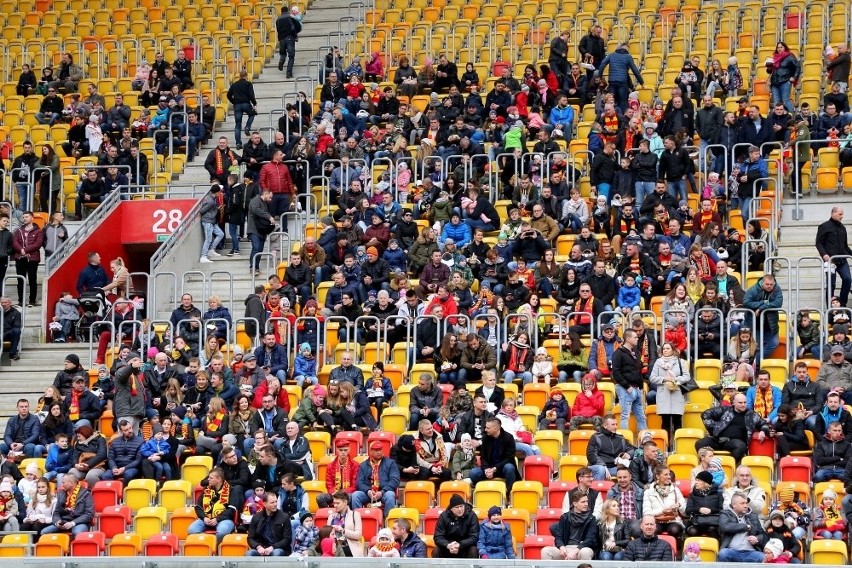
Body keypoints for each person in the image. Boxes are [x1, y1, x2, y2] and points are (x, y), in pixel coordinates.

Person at [696, 393, 770, 462]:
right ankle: (707, 465)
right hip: (718, 439)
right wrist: (713, 429)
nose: (743, 405)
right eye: (740, 403)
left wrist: (763, 431)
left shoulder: (751, 415)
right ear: (733, 403)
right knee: (700, 443)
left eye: (745, 402)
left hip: (734, 442)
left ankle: (729, 465)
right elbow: (705, 414)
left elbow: (764, 424)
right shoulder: (724, 410)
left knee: (741, 447)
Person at [189, 467, 239, 544]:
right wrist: (204, 517)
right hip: (206, 519)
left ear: (219, 479)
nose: (208, 479)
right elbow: (198, 507)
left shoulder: (232, 490)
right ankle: (205, 547)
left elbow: (231, 510)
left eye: (211, 478)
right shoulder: (206, 490)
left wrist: (217, 519)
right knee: (192, 530)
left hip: (224, 520)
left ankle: (214, 550)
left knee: (222, 532)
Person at [542, 492, 598, 560]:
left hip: (582, 548)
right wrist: (561, 547)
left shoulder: (591, 519)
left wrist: (575, 551)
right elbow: (559, 536)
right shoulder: (565, 517)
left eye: (587, 501)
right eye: (583, 502)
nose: (586, 504)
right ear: (575, 504)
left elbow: (590, 539)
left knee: (585, 552)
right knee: (545, 551)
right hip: (566, 548)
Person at [717, 491, 769, 563]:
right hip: (732, 551)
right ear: (734, 505)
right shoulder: (725, 514)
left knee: (763, 557)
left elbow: (763, 535)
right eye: (742, 503)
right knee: (723, 553)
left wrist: (757, 539)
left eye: (746, 503)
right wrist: (746, 527)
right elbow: (726, 527)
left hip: (751, 553)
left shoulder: (753, 516)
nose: (746, 505)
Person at [816, 207, 852, 306]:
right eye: (840, 214)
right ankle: (830, 309)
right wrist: (824, 254)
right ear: (833, 213)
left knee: (848, 279)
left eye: (842, 214)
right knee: (831, 284)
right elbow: (819, 243)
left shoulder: (842, 228)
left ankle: (842, 304)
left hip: (842, 260)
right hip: (830, 261)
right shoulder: (824, 226)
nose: (842, 216)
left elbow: (845, 246)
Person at [612, 329, 647, 430]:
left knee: (641, 417)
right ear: (628, 339)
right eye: (635, 337)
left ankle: (644, 440)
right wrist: (627, 386)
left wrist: (640, 387)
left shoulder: (636, 351)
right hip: (626, 388)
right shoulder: (618, 353)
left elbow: (638, 370)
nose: (637, 339)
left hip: (637, 388)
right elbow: (616, 372)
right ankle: (625, 440)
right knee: (625, 416)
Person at [469, 418, 517, 490]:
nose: (485, 430)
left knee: (509, 467)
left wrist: (494, 469)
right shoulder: (485, 437)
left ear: (496, 429)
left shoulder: (508, 438)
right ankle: (483, 490)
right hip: (489, 467)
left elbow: (509, 458)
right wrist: (486, 469)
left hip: (502, 468)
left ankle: (509, 493)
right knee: (473, 473)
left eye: (488, 428)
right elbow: (483, 457)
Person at [351, 441, 399, 511]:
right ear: (370, 451)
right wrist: (368, 491)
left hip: (384, 492)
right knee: (355, 495)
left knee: (390, 495)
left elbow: (395, 480)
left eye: (380, 450)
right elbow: (359, 482)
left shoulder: (391, 463)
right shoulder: (363, 465)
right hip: (368, 493)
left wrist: (382, 491)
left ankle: (387, 520)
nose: (379, 452)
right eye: (376, 450)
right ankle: (359, 519)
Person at [587, 414, 634, 480]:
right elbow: (591, 455)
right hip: (598, 466)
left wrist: (629, 454)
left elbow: (632, 449)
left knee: (633, 467)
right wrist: (603, 466)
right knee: (601, 470)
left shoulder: (620, 438)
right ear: (605, 426)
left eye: (616, 424)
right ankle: (598, 490)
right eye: (613, 424)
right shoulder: (596, 437)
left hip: (615, 467)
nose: (615, 427)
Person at [643, 466, 686, 536]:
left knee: (674, 530)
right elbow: (646, 513)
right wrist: (662, 511)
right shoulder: (648, 491)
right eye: (666, 474)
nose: (669, 477)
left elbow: (684, 512)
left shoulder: (675, 489)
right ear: (657, 476)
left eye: (669, 474)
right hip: (656, 521)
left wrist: (679, 505)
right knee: (654, 530)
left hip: (673, 520)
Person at [246, 491, 292, 557]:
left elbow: (287, 539)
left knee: (276, 553)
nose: (275, 504)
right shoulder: (256, 517)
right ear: (264, 504)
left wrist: (272, 547)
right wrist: (258, 547)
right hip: (261, 548)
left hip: (278, 548)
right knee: (249, 554)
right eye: (272, 502)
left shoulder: (284, 517)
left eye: (276, 501)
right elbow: (250, 538)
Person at [12, 211, 43, 308]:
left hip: (32, 258)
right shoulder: (18, 230)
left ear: (32, 218)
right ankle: (20, 301)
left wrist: (24, 250)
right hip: (20, 258)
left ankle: (32, 300)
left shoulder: (38, 231)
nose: (24, 218)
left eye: (26, 217)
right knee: (20, 280)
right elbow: (14, 242)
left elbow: (38, 244)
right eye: (23, 217)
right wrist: (21, 250)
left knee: (32, 279)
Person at [434, 494, 480, 558]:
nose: (460, 509)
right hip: (448, 547)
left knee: (473, 550)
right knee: (436, 550)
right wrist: (448, 545)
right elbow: (438, 537)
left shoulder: (471, 515)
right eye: (457, 507)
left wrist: (459, 545)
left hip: (465, 547)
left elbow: (474, 537)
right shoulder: (443, 516)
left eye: (461, 506)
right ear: (451, 509)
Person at [100, 419, 142, 485]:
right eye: (126, 430)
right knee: (105, 476)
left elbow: (138, 460)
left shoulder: (140, 441)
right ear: (121, 431)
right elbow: (110, 458)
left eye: (130, 428)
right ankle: (114, 493)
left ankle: (123, 493)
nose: (130, 431)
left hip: (131, 467)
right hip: (117, 467)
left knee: (128, 474)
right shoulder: (115, 442)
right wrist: (114, 468)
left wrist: (124, 468)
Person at [685, 470, 723, 536]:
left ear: (706, 482)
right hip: (696, 523)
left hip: (713, 523)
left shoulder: (718, 495)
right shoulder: (692, 494)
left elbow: (721, 510)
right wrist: (699, 509)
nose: (695, 483)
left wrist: (711, 510)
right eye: (695, 480)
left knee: (712, 530)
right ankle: (694, 546)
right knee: (692, 531)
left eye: (698, 480)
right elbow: (688, 510)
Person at [247, 189, 275, 276]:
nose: (270, 199)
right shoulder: (255, 200)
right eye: (270, 197)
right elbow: (256, 210)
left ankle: (256, 267)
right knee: (256, 248)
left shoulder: (264, 203)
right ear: (265, 194)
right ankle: (253, 267)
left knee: (259, 249)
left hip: (261, 230)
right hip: (254, 229)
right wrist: (269, 217)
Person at [227, 71, 257, 150]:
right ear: (246, 76)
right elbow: (251, 95)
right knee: (252, 114)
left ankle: (238, 143)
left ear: (239, 76)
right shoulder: (248, 84)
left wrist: (233, 101)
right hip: (246, 103)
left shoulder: (234, 84)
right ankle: (247, 127)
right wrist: (254, 104)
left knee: (237, 125)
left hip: (237, 105)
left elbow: (228, 95)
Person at [199, 183, 225, 264]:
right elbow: (202, 210)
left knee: (220, 234)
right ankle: (203, 256)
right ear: (217, 192)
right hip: (208, 222)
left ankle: (211, 249)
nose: (220, 194)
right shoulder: (210, 201)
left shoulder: (211, 199)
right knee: (208, 239)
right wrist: (216, 210)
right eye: (219, 192)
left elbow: (209, 210)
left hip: (212, 221)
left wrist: (216, 209)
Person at [275, 5, 302, 78]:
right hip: (290, 38)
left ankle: (281, 60)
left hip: (281, 39)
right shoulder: (290, 17)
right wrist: (295, 35)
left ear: (281, 12)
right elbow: (296, 27)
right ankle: (288, 73)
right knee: (291, 56)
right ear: (287, 11)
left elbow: (278, 30)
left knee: (283, 53)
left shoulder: (278, 20)